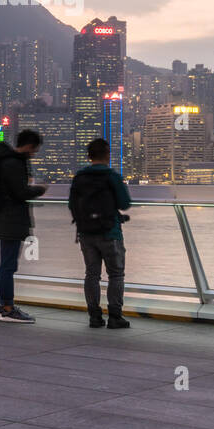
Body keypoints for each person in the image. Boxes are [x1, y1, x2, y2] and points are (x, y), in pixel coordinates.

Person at [68, 137, 132, 329]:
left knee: (92, 274)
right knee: (116, 275)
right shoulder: (111, 176)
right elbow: (124, 203)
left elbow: (71, 205)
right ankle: (115, 316)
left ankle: (94, 316)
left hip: (86, 233)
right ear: (107, 155)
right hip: (110, 231)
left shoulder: (79, 177)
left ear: (88, 156)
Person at [0, 129, 47, 323]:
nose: (34, 153)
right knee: (8, 265)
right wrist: (39, 189)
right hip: (11, 220)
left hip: (6, 219)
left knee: (7, 264)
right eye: (35, 150)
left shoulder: (8, 161)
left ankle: (5, 306)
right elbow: (19, 192)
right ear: (29, 146)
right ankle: (7, 308)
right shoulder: (13, 163)